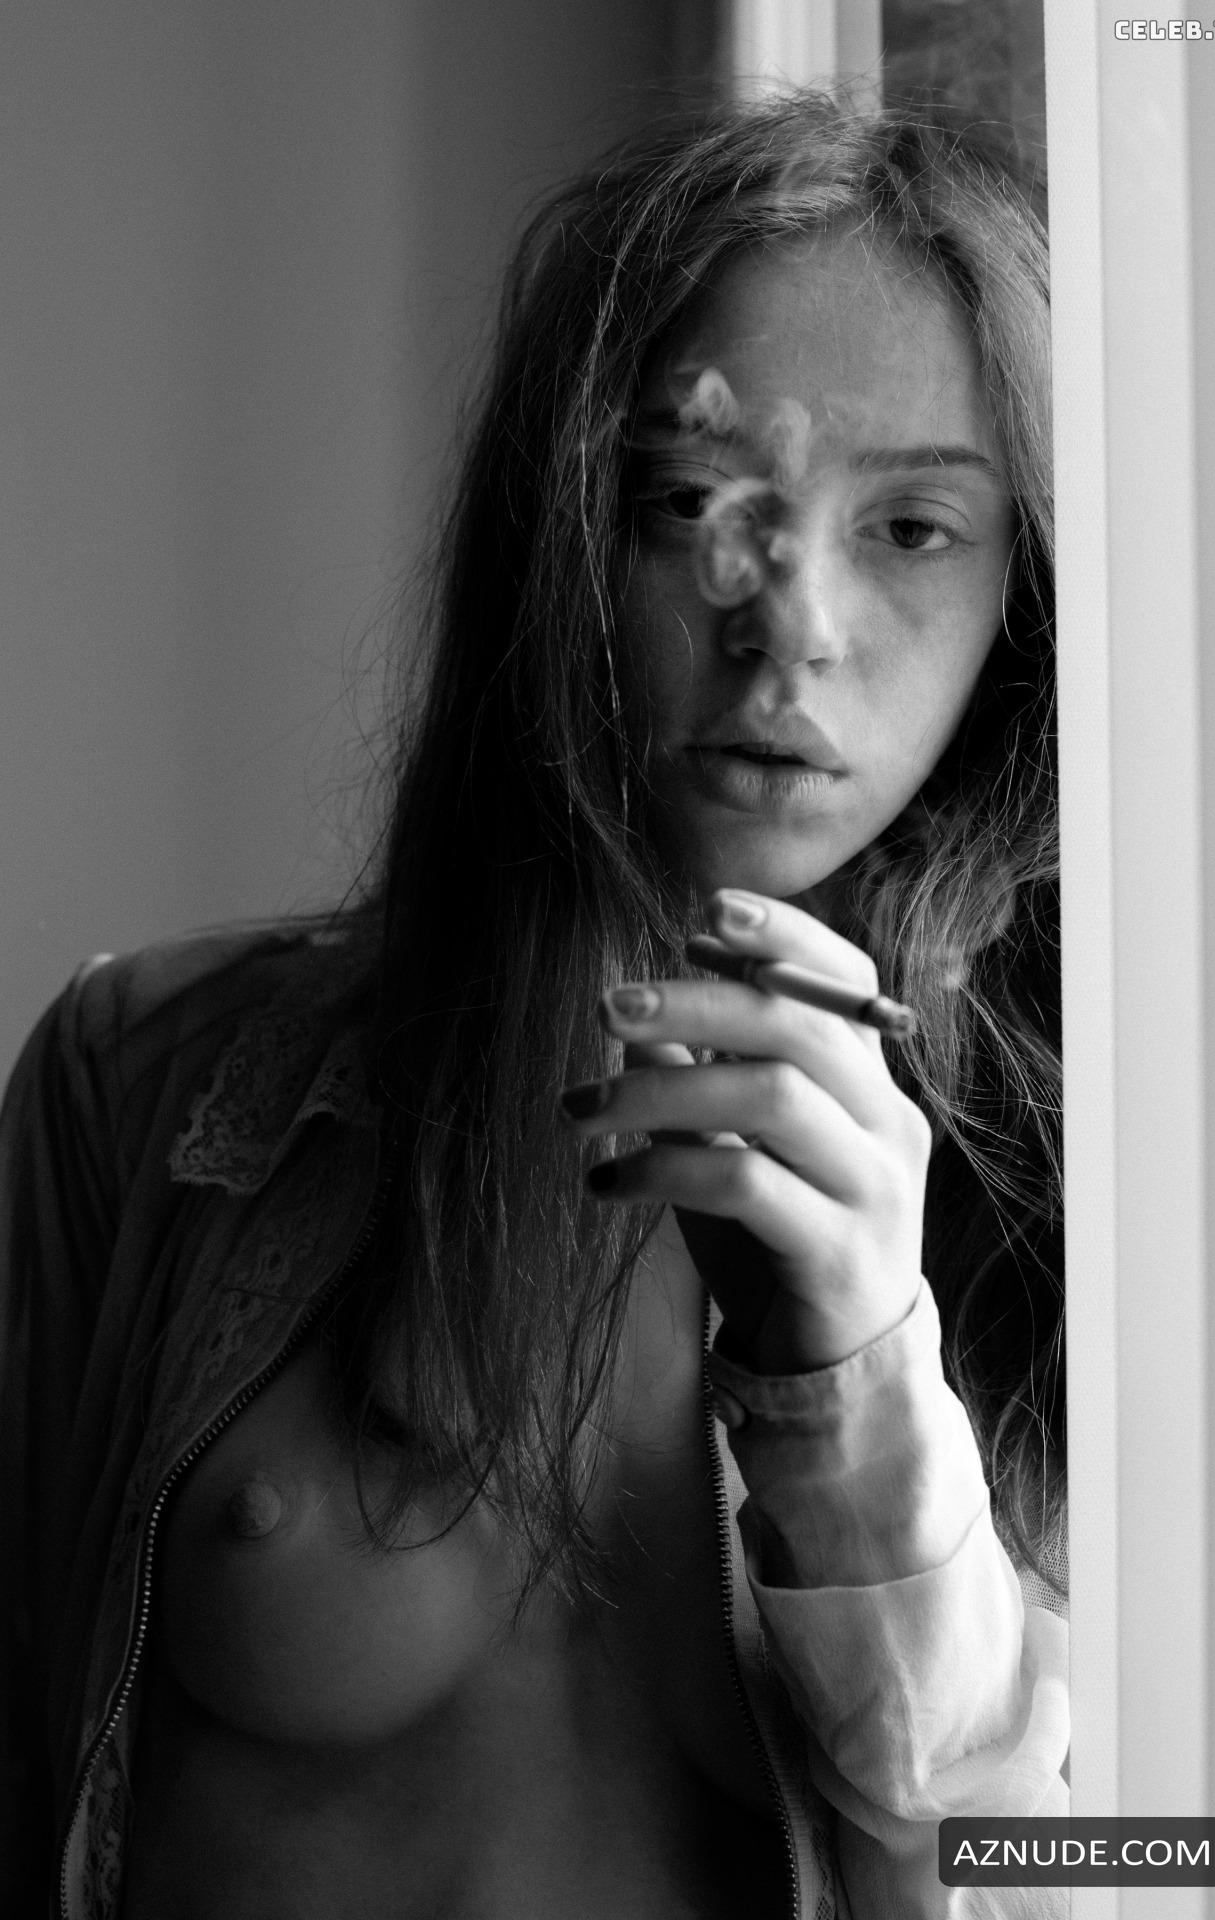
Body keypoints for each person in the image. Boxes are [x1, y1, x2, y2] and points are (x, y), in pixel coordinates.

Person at [1, 93, 1068, 1920]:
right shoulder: (150, 1087)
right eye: (688, 502)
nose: (790, 623)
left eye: (911, 527)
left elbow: (1145, 1866)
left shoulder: (1090, 1204)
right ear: (561, 534)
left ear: (1020, 601)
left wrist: (863, 1385)